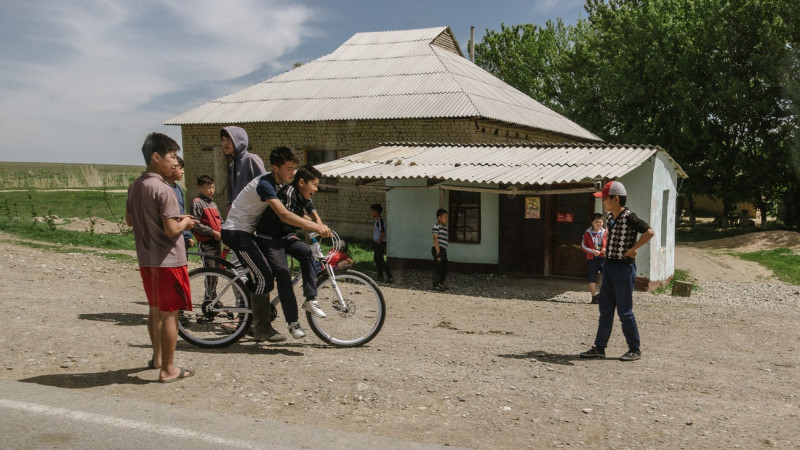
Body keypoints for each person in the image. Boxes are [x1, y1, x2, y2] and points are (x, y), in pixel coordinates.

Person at [221, 148, 330, 342]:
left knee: (262, 276)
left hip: (248, 232)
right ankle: (261, 328)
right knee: (265, 277)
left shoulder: (279, 183)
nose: (293, 173)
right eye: (289, 168)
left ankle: (248, 320)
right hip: (237, 232)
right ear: (275, 168)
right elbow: (284, 215)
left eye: (294, 168)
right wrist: (315, 226)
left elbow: (293, 212)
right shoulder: (266, 184)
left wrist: (316, 223)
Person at [126, 132, 196, 383]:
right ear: (156, 157)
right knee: (170, 314)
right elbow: (171, 230)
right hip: (168, 261)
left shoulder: (135, 185)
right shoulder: (164, 190)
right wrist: (186, 222)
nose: (175, 162)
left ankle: (157, 357)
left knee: (154, 310)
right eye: (172, 157)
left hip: (147, 259)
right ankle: (168, 368)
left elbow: (130, 220)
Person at [580, 181, 654, 362]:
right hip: (610, 267)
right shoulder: (610, 217)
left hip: (624, 268)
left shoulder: (629, 217)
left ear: (616, 199)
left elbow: (649, 232)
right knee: (605, 309)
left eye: (606, 199)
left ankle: (634, 349)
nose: (603, 202)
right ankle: (599, 347)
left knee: (624, 311)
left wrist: (634, 248)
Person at [256, 164, 329, 340]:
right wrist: (315, 227)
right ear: (302, 183)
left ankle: (310, 299)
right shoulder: (288, 193)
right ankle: (292, 322)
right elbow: (287, 216)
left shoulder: (302, 194)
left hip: (285, 235)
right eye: (315, 185)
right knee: (283, 274)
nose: (316, 189)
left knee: (306, 253)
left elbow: (311, 208)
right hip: (270, 238)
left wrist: (320, 223)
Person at [220, 126, 265, 215]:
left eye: (229, 140)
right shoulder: (232, 166)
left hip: (252, 214)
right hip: (238, 215)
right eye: (223, 140)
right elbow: (233, 192)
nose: (225, 143)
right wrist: (230, 204)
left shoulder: (251, 159)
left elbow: (264, 186)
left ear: (239, 140)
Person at [191, 175, 222, 295]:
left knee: (217, 271)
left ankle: (211, 297)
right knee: (210, 271)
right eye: (208, 187)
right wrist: (212, 232)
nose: (211, 190)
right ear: (199, 187)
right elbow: (196, 224)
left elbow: (220, 222)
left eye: (213, 187)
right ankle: (210, 299)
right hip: (206, 243)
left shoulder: (213, 205)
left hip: (216, 242)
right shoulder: (197, 203)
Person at [165, 156, 194, 254]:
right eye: (180, 168)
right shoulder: (163, 189)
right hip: (168, 238)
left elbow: (182, 211)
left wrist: (187, 235)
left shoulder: (178, 189)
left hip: (181, 234)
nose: (183, 172)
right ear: (172, 168)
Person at [581, 213, 607, 304]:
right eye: (596, 222)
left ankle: (601, 295)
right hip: (592, 258)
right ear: (592, 222)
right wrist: (593, 252)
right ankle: (594, 297)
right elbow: (583, 246)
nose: (598, 224)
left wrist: (605, 249)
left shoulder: (605, 233)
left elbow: (610, 244)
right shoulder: (587, 233)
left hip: (603, 258)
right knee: (592, 278)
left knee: (605, 277)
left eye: (600, 222)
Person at [370, 204, 393, 283]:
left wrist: (378, 242)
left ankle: (390, 277)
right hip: (378, 242)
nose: (371, 213)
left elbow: (382, 233)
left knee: (380, 260)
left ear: (376, 212)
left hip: (380, 242)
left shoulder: (380, 220)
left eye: (373, 211)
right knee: (377, 259)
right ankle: (380, 276)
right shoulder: (377, 220)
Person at [431, 208, 449, 291]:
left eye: (447, 217)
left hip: (443, 250)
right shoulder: (436, 226)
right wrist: (438, 252)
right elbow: (435, 238)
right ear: (439, 217)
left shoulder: (444, 227)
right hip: (438, 249)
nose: (446, 219)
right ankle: (435, 284)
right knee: (437, 267)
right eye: (445, 217)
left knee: (445, 267)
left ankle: (440, 283)